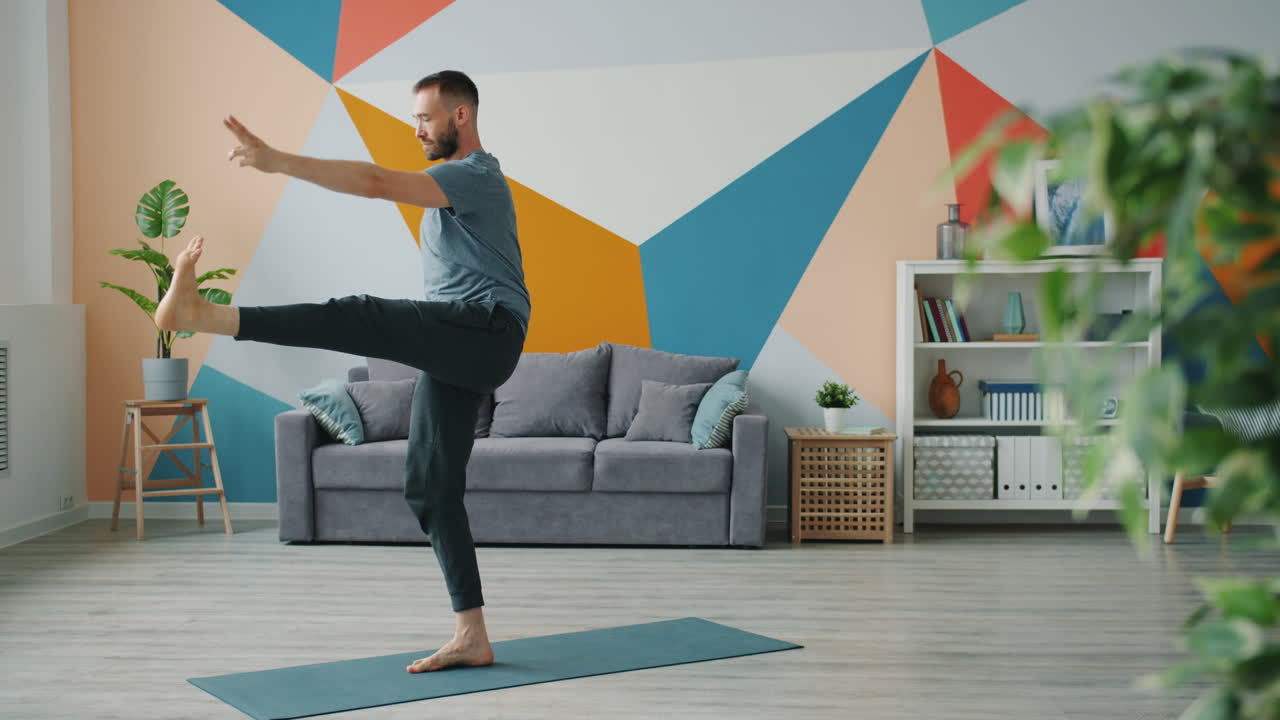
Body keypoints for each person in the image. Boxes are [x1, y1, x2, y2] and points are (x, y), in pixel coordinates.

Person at [156, 70, 530, 674]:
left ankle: (206, 314)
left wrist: (278, 160)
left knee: (357, 315)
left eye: (426, 119)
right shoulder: (452, 182)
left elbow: (378, 182)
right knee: (429, 485)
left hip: (488, 329)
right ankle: (472, 635)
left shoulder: (473, 173)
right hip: (466, 342)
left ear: (461, 117)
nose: (417, 130)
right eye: (414, 119)